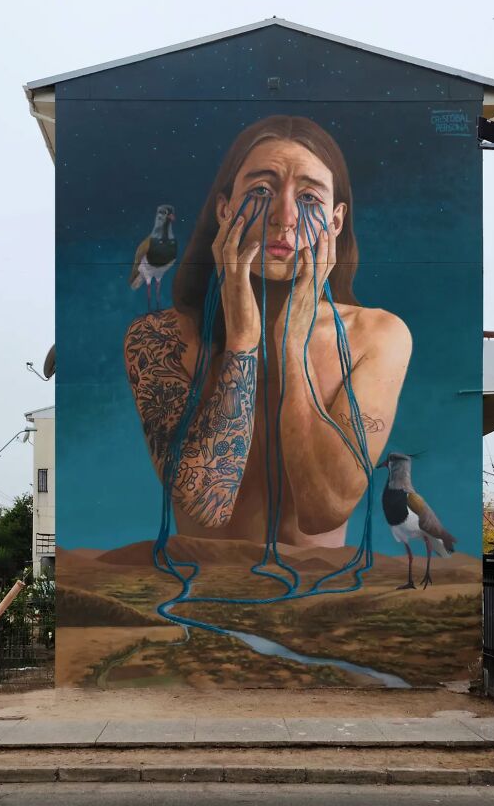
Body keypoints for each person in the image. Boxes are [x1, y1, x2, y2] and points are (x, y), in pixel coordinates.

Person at [125, 115, 411, 549]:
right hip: (202, 600)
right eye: (261, 191)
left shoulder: (378, 335)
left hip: (322, 606)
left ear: (336, 223)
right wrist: (242, 343)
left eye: (310, 198)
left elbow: (324, 510)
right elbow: (207, 504)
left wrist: (291, 346)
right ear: (225, 210)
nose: (285, 217)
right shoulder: (158, 339)